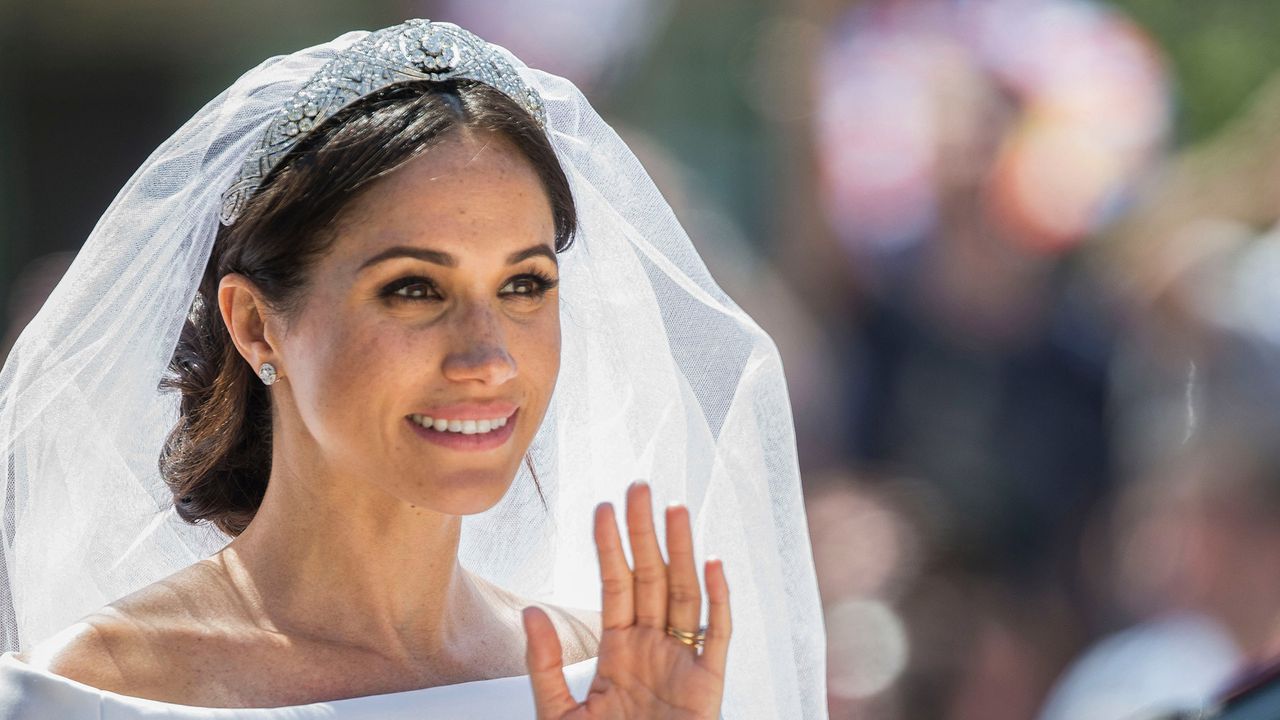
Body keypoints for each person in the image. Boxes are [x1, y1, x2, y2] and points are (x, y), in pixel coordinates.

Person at [0, 19, 824, 718]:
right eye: (415, 289)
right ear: (257, 325)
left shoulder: (600, 676)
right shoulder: (89, 690)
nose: (488, 357)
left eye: (524, 284)